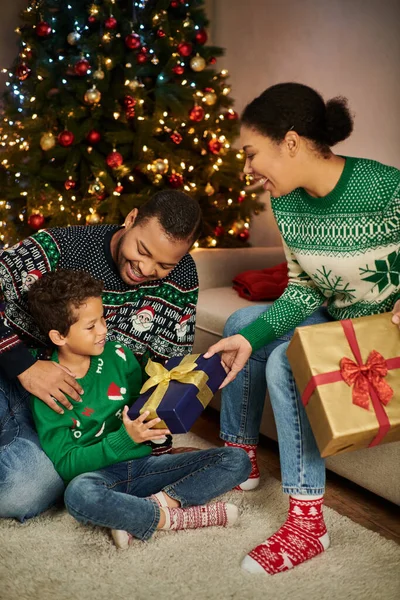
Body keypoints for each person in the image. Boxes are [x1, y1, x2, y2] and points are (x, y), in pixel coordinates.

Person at [205, 82, 400, 574]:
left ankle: (309, 523)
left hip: (384, 332)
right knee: (243, 323)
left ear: (290, 143)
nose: (248, 169)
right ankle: (240, 461)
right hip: (336, 316)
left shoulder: (384, 188)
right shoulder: (287, 202)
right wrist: (248, 337)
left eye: (252, 153)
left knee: (285, 363)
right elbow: (304, 289)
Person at [0, 190, 203, 521]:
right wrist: (24, 366)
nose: (146, 268)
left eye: (164, 264)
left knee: (22, 494)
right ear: (131, 219)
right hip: (8, 378)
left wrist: (154, 447)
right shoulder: (59, 247)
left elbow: (164, 373)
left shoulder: (183, 279)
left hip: (64, 419)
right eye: (142, 250)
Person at [28, 269, 250, 548]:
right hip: (99, 477)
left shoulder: (118, 355)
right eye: (90, 326)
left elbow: (142, 404)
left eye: (103, 320)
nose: (103, 330)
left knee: (236, 461)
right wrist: (126, 439)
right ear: (59, 337)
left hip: (145, 466)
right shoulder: (48, 391)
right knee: (78, 495)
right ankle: (178, 517)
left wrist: (158, 427)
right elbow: (66, 465)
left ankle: (149, 508)